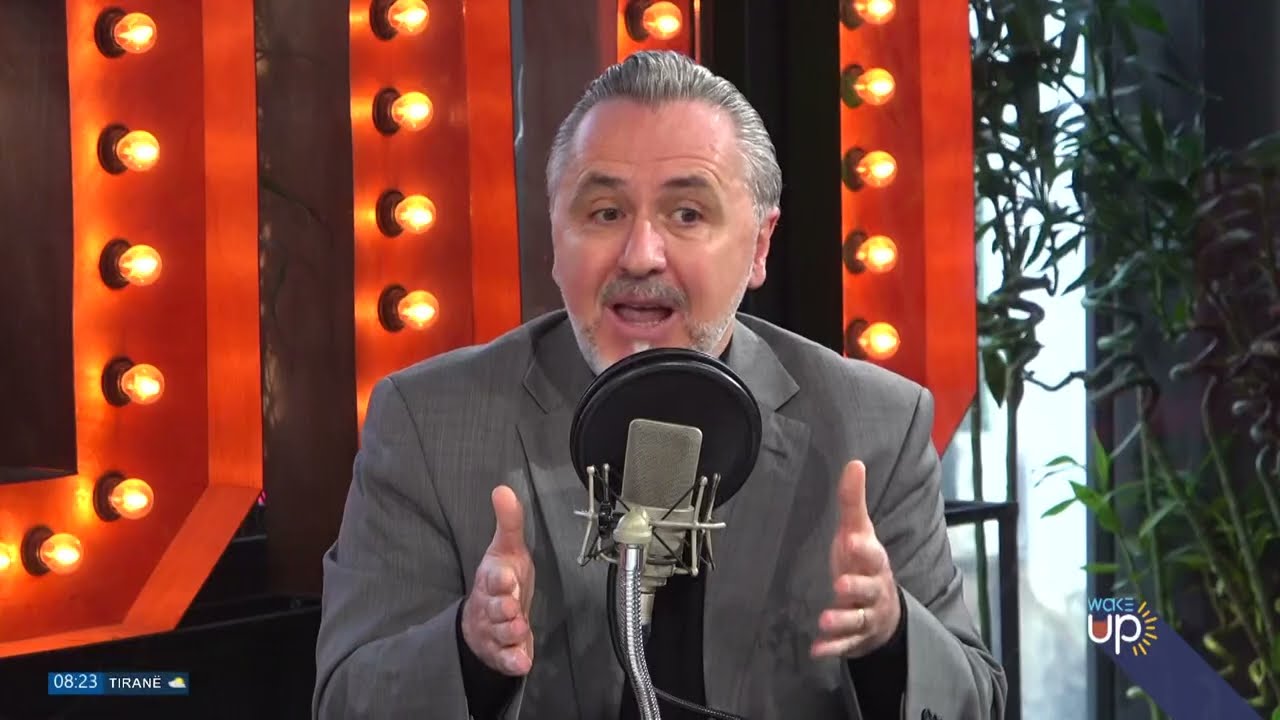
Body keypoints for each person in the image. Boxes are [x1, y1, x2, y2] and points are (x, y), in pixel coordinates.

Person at [313, 50, 1006, 720]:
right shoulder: (428, 424)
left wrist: (890, 636)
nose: (641, 255)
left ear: (760, 246)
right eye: (605, 213)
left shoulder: (875, 425)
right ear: (555, 236)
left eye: (687, 215)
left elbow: (974, 702)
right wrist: (470, 653)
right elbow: (345, 702)